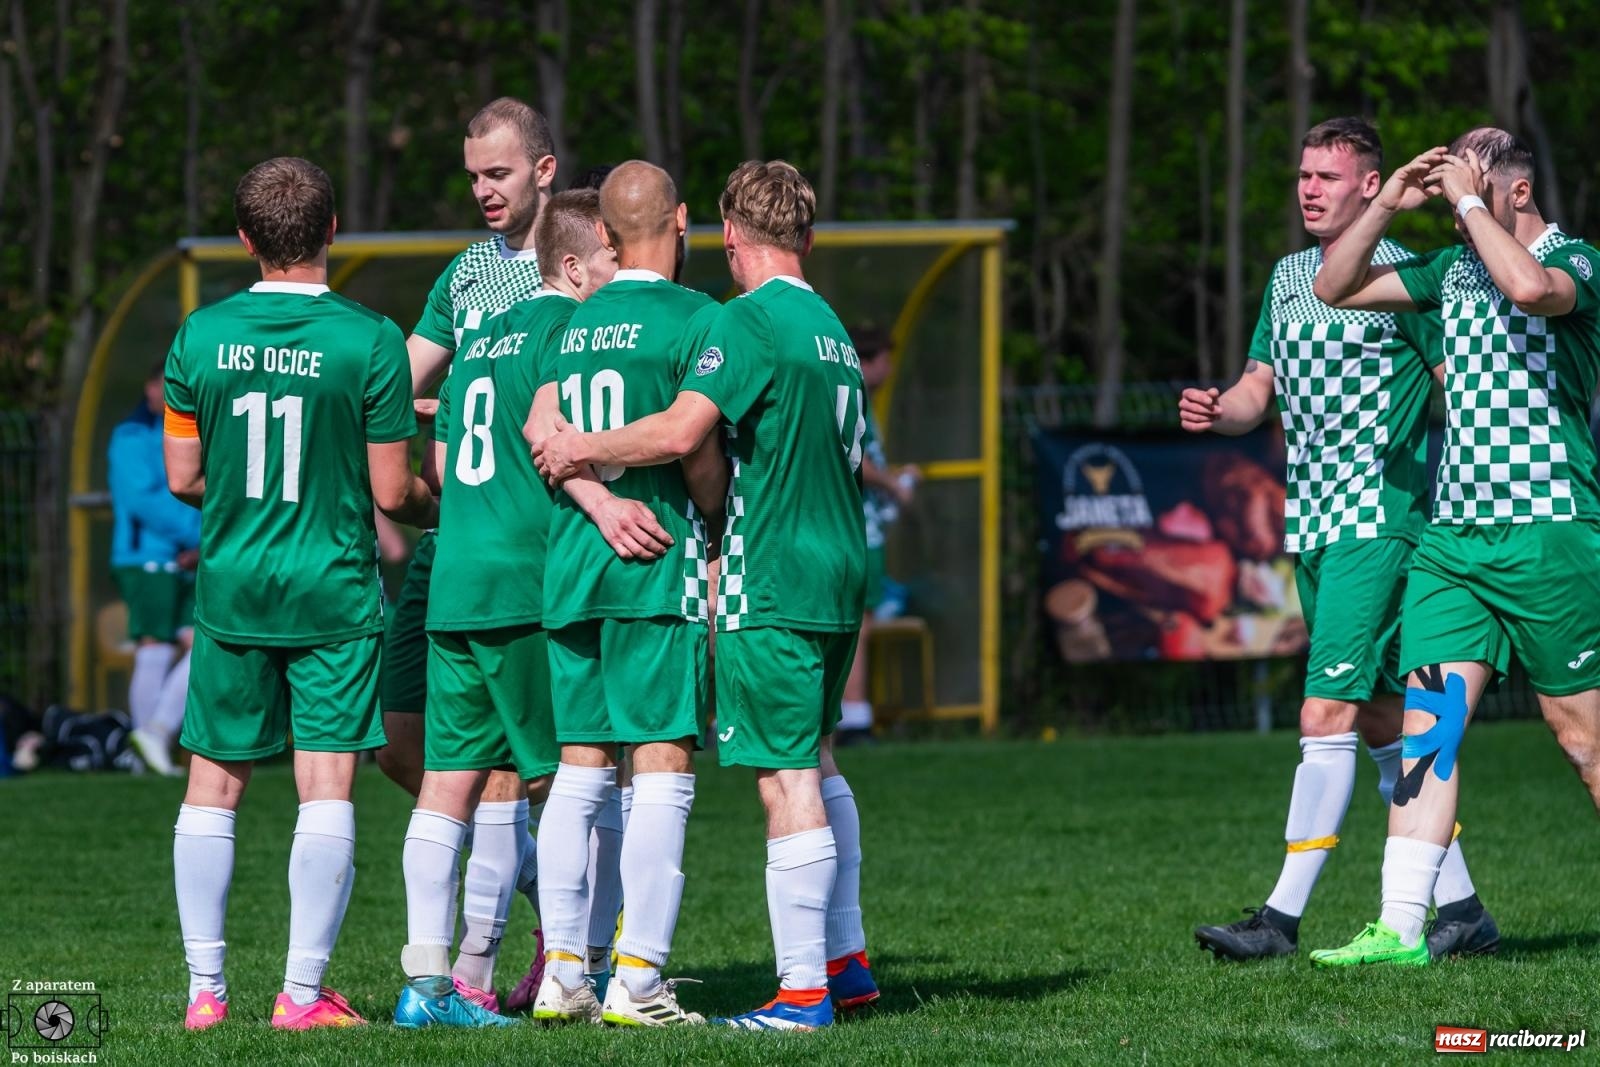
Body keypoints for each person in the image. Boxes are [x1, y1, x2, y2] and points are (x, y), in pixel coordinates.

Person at [535, 159, 879, 1030]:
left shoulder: (747, 320)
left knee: (784, 775)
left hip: (771, 574)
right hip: (840, 568)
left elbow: (687, 431)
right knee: (819, 753)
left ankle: (802, 993)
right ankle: (847, 956)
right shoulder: (831, 325)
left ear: (728, 235)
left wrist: (582, 453)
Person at [1182, 118, 1497, 962]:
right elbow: (1260, 387)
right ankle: (1462, 907)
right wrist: (1223, 408)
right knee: (1390, 722)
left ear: (1371, 186)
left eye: (1327, 175)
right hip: (1316, 525)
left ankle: (1280, 919)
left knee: (1325, 711)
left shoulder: (1407, 279)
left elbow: (1455, 386)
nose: (1308, 188)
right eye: (1302, 174)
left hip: (1379, 523)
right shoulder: (1291, 276)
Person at [1309, 127, 1600, 966]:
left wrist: (1469, 201)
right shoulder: (1453, 268)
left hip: (1550, 534)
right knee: (1431, 728)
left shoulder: (1577, 258)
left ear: (1515, 192)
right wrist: (1390, 204)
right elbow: (1336, 286)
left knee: (1581, 740)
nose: (1455, 207)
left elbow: (1532, 288)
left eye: (1476, 190)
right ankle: (1401, 925)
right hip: (1453, 544)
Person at [161, 156, 436, 1030]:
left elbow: (182, 475)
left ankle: (205, 994)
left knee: (213, 782)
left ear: (245, 239)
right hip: (333, 589)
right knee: (326, 786)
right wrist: (447, 506)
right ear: (332, 231)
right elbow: (393, 494)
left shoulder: (199, 336)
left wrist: (247, 490)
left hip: (236, 585)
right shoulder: (370, 338)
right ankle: (302, 996)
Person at [394, 189, 627, 1029]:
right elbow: (556, 445)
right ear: (573, 263)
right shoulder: (570, 332)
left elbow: (453, 470)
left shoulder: (479, 338)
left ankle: (433, 986)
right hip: (527, 584)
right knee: (577, 775)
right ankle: (581, 963)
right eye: (611, 259)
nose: (620, 274)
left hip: (454, 576)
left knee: (453, 784)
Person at [527, 161, 724, 1027]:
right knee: (662, 764)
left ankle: (563, 970)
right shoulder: (699, 318)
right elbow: (701, 455)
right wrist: (713, 513)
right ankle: (638, 980)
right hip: (651, 561)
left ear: (601, 236)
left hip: (572, 564)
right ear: (682, 222)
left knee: (577, 772)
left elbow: (546, 437)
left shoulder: (566, 326)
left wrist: (592, 488)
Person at [378, 96, 557, 1009]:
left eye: (500, 173)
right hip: (455, 548)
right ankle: (544, 900)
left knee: (509, 769)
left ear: (544, 170)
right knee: (401, 747)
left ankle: (491, 967)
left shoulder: (576, 268)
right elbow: (405, 379)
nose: (485, 192)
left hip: (531, 552)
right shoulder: (468, 274)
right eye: (474, 177)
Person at [108, 362, 201, 776]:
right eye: (164, 384)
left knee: (202, 643)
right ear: (149, 386)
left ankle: (153, 736)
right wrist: (191, 533)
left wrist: (201, 539)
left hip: (186, 555)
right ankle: (150, 739)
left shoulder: (194, 431)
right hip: (146, 558)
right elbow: (145, 498)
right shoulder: (129, 436)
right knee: (155, 644)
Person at [838, 326, 919, 741]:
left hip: (856, 527)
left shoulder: (859, 397)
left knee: (855, 622)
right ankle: (854, 716)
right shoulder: (851, 392)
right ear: (868, 361)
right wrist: (893, 485)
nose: (890, 369)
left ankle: (850, 713)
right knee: (857, 624)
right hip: (858, 529)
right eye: (886, 359)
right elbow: (854, 460)